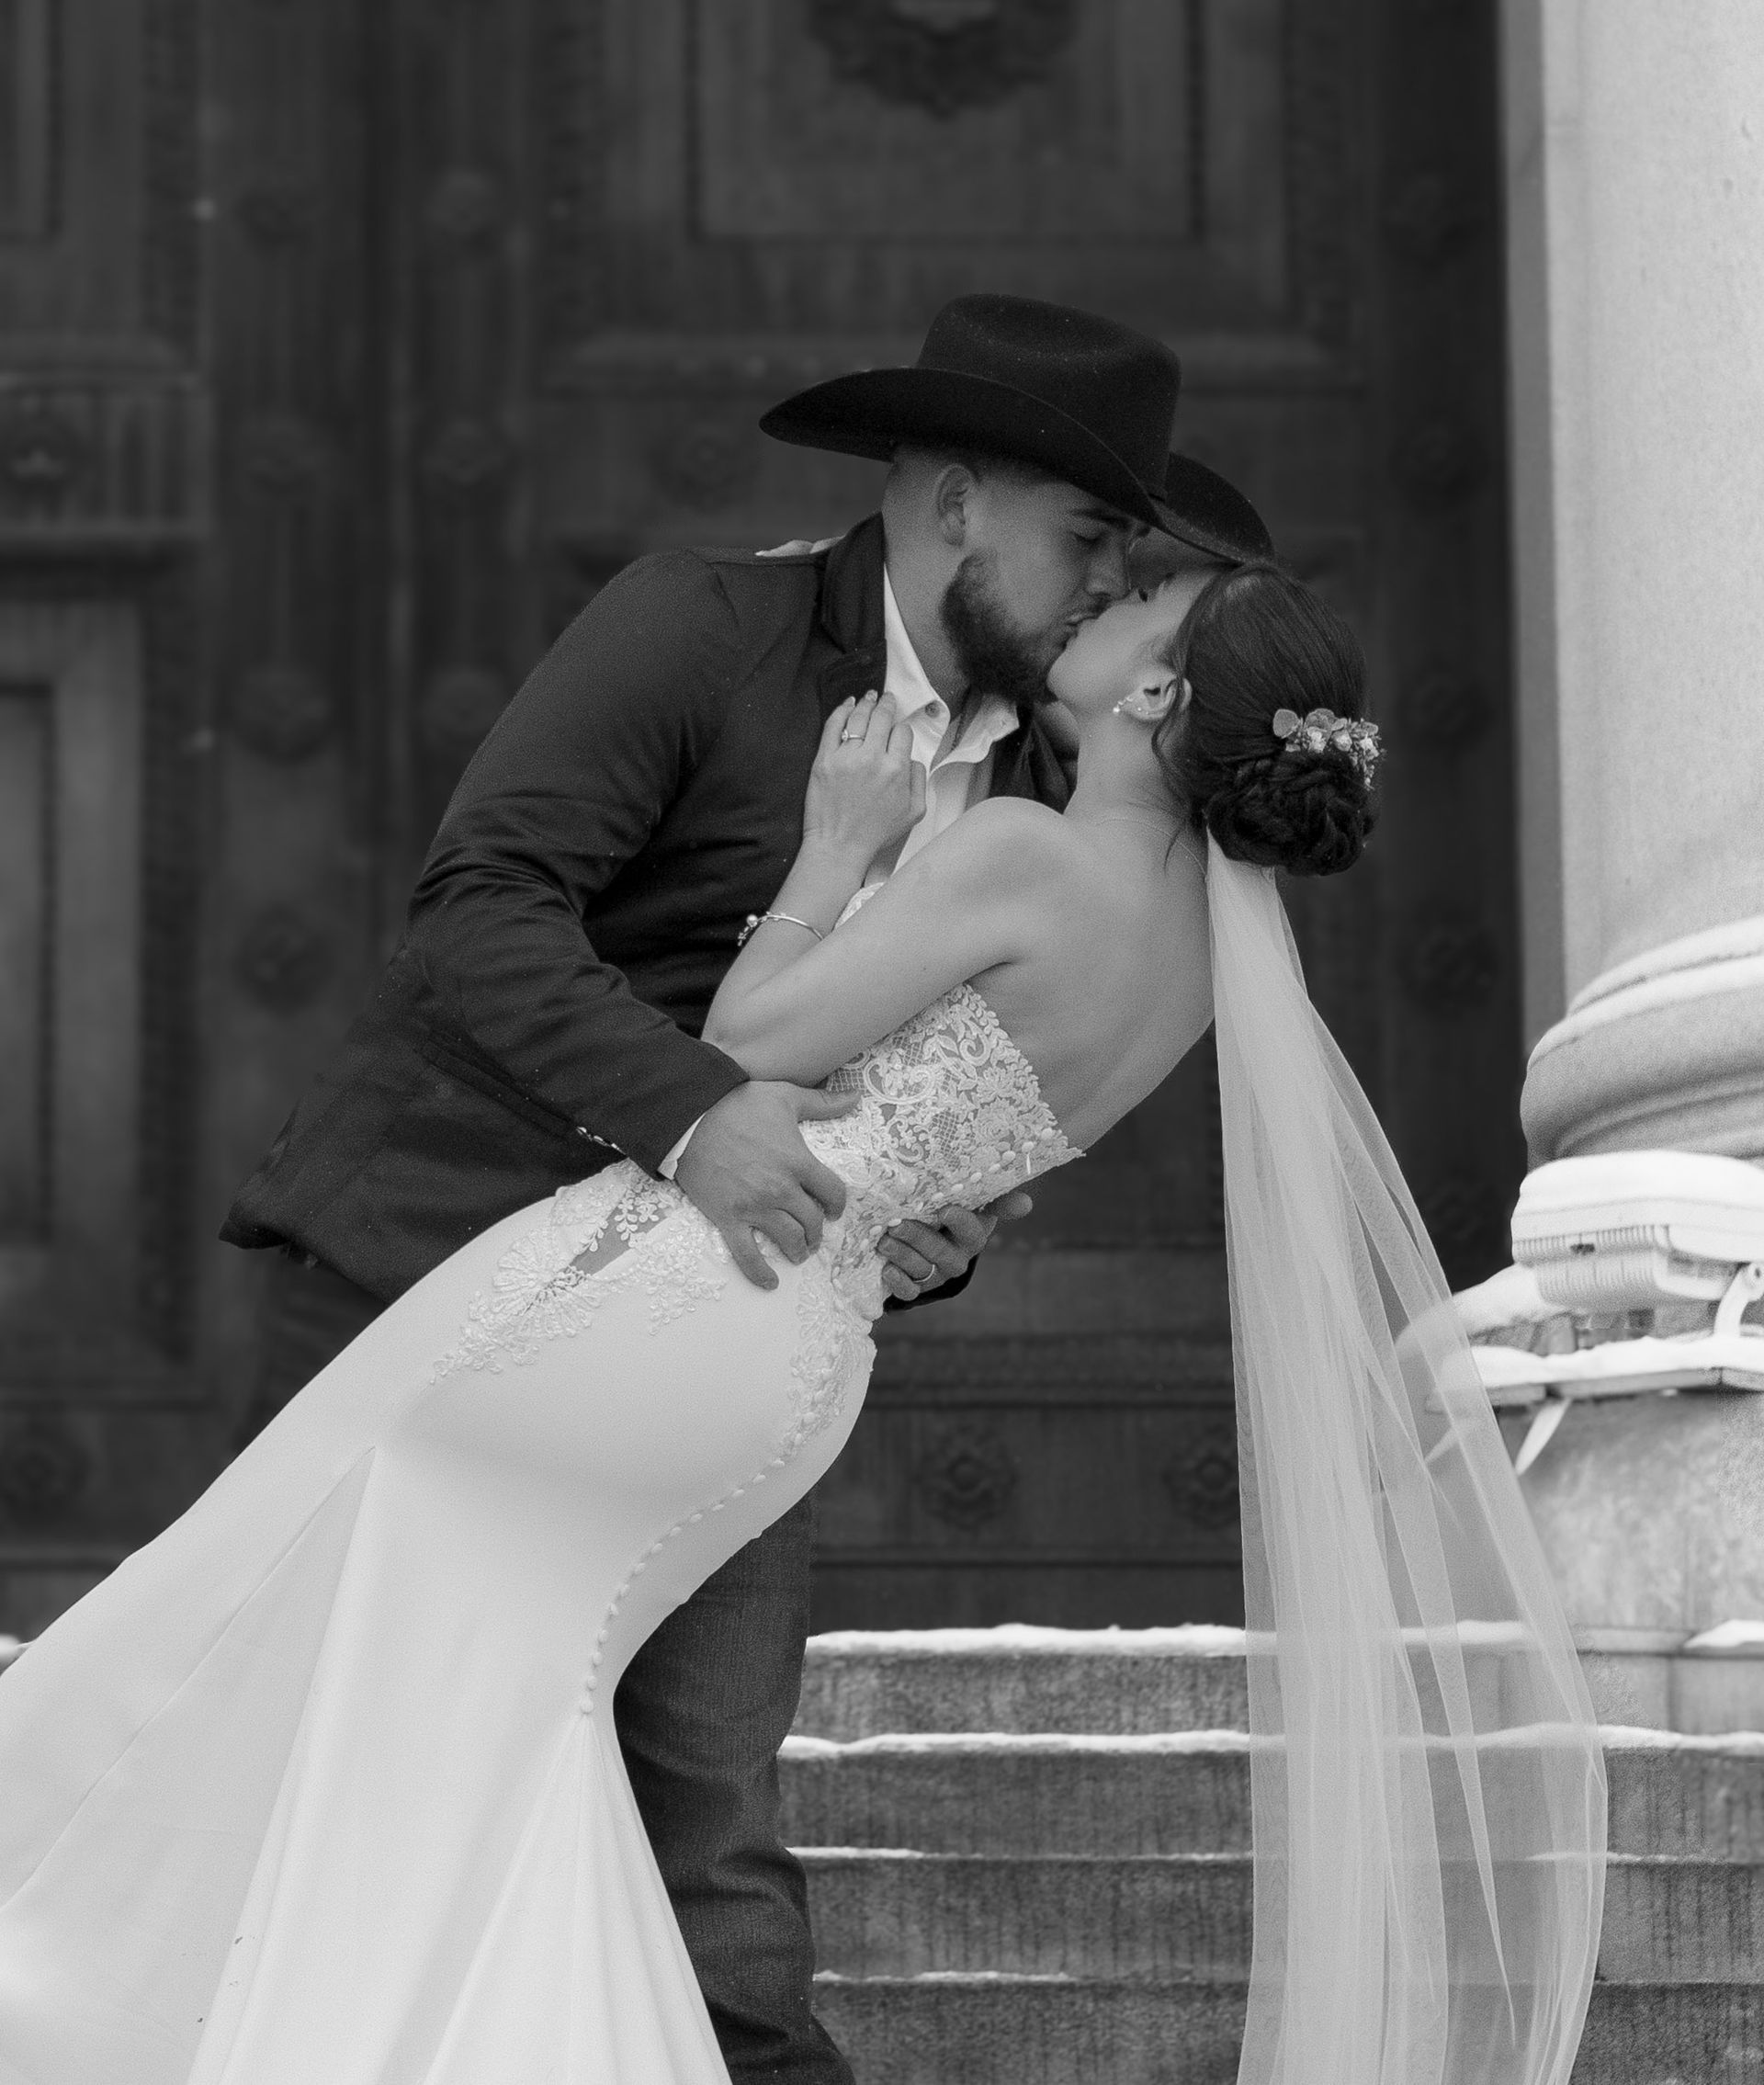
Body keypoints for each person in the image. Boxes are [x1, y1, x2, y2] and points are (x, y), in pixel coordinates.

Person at [0, 554, 1605, 2085]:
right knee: (488, 1696)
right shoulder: (1202, 953)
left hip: (688, 1281)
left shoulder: (1022, 856)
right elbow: (949, 1148)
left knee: (322, 1559)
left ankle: (150, 1991)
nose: (1108, 603)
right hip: (807, 1350)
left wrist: (836, 848)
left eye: (1144, 607)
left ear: (1162, 695)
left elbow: (752, 1036)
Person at [210, 289, 1272, 2085]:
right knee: (324, 1789)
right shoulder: (695, 627)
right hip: (414, 1281)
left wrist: (923, 1228)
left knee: (710, 1855)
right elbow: (474, 909)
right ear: (956, 502)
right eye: (1090, 533)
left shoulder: (1043, 780)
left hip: (715, 1352)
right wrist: (703, 1112)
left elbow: (911, 1102)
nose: (1106, 583)